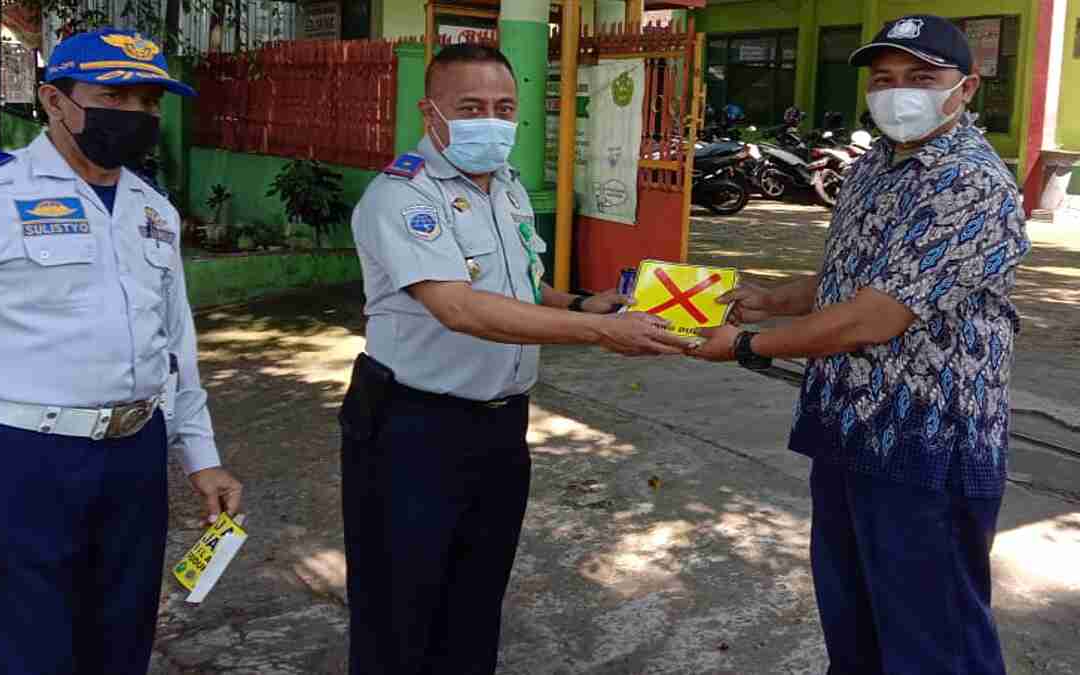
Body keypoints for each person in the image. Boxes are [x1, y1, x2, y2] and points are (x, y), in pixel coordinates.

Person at [0, 28, 243, 675]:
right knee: (15, 653)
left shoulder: (152, 210)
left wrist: (201, 456)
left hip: (134, 461)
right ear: (53, 100)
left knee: (120, 646)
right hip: (19, 464)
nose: (135, 116)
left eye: (149, 103)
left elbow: (175, 346)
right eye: (114, 96)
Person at [685, 15, 1029, 675]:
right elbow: (854, 274)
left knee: (935, 645)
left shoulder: (970, 182)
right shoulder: (877, 161)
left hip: (927, 446)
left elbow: (877, 313)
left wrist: (749, 343)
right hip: (847, 429)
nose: (899, 92)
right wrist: (774, 296)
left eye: (922, 78)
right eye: (886, 79)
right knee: (855, 629)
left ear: (967, 88)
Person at [340, 43, 689, 675]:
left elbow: (520, 289)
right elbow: (461, 309)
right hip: (413, 428)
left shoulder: (506, 188)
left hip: (501, 426)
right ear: (431, 111)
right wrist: (597, 337)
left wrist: (585, 305)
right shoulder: (402, 197)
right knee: (400, 605)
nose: (491, 120)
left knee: (475, 595)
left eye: (504, 107)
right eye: (470, 106)